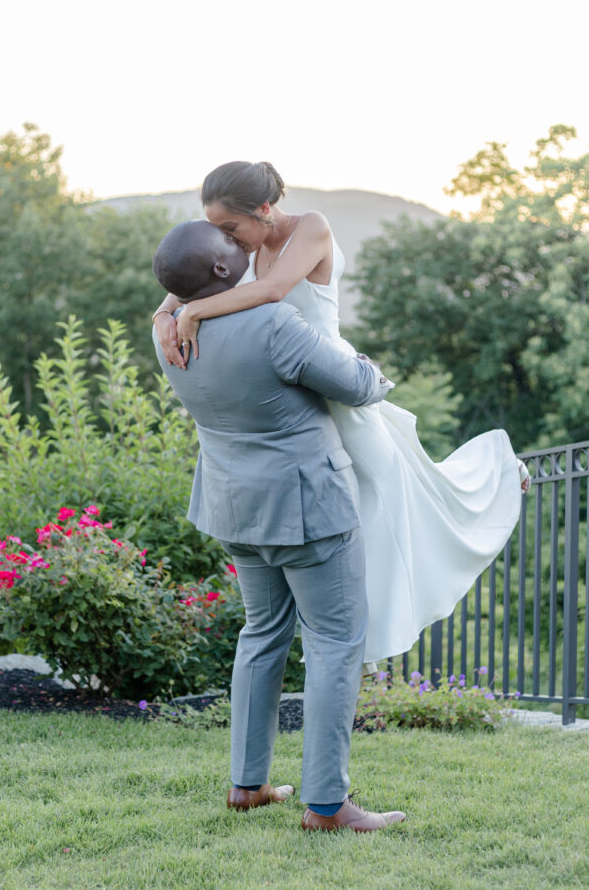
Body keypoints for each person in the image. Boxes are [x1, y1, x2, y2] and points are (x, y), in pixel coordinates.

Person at [154, 161, 530, 665]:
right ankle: (339, 648)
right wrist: (164, 312)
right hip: (289, 393)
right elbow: (194, 279)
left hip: (332, 380)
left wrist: (193, 312)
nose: (225, 241)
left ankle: (502, 475)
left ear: (264, 210)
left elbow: (270, 293)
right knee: (371, 506)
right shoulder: (241, 247)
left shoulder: (311, 228)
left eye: (230, 228)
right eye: (217, 230)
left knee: (395, 494)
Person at [151, 219, 406, 833]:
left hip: (232, 505)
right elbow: (356, 387)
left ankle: (248, 785)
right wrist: (367, 364)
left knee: (261, 633)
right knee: (334, 644)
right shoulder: (272, 324)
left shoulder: (168, 330)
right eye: (233, 246)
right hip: (308, 507)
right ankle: (327, 805)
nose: (246, 248)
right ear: (220, 269)